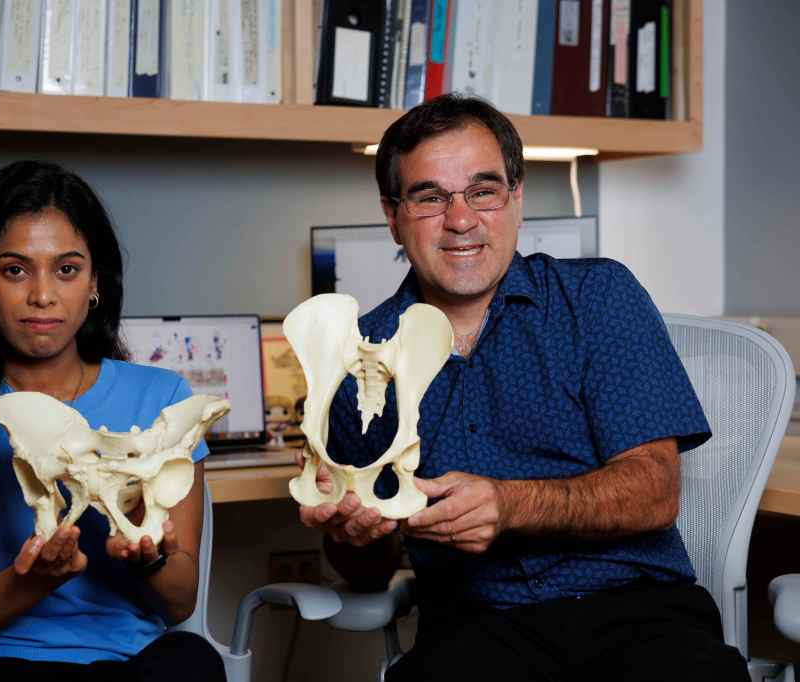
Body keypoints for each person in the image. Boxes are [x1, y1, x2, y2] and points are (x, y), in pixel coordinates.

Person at [298, 95, 749, 681]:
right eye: (430, 197)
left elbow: (654, 491)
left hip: (636, 615)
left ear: (515, 197)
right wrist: (352, 533)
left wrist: (509, 505)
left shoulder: (596, 300)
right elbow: (364, 569)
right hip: (473, 627)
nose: (461, 220)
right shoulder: (357, 352)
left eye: (482, 191)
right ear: (392, 214)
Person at [0, 160, 226, 682]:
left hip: (123, 663)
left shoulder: (163, 401)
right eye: (15, 269)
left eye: (66, 269)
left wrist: (146, 557)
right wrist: (33, 581)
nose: (42, 294)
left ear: (94, 284)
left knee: (194, 662)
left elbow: (177, 604)